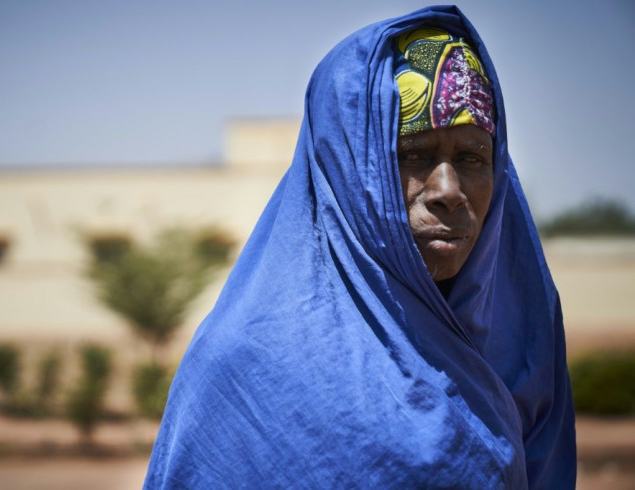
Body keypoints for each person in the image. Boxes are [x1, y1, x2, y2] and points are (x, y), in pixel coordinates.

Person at [144, 5, 576, 488]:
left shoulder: (519, 334)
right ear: (347, 170)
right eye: (413, 155)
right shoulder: (245, 365)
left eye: (473, 156)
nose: (448, 189)